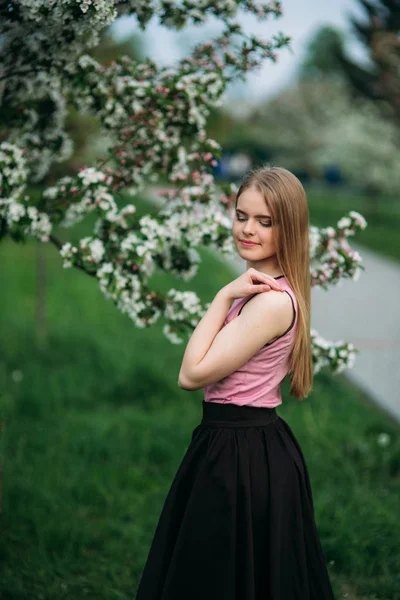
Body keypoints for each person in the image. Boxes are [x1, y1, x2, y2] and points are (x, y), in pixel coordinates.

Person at [135, 165, 336, 599]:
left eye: (265, 222)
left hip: (240, 451)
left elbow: (191, 374)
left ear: (290, 228)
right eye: (241, 215)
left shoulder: (268, 304)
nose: (248, 229)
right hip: (243, 442)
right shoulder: (270, 289)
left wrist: (223, 295)